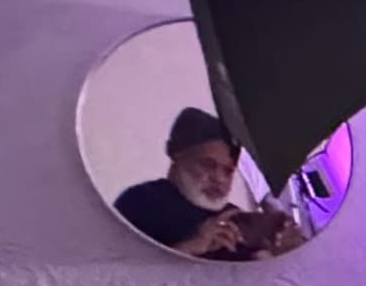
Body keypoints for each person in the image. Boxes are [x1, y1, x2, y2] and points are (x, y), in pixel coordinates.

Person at [113, 108, 300, 259]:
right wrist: (192, 246)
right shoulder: (140, 201)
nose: (219, 178)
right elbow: (120, 281)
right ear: (174, 152)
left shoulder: (234, 216)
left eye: (228, 170)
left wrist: (282, 250)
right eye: (208, 165)